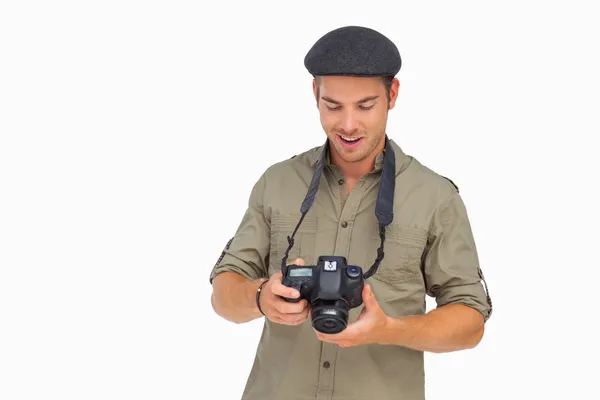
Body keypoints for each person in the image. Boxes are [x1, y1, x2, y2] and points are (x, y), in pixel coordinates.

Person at [209, 25, 492, 400]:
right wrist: (261, 296)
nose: (347, 125)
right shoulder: (277, 182)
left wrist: (388, 329)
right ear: (315, 94)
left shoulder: (435, 197)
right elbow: (223, 292)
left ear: (392, 94)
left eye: (365, 105)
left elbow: (471, 321)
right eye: (332, 106)